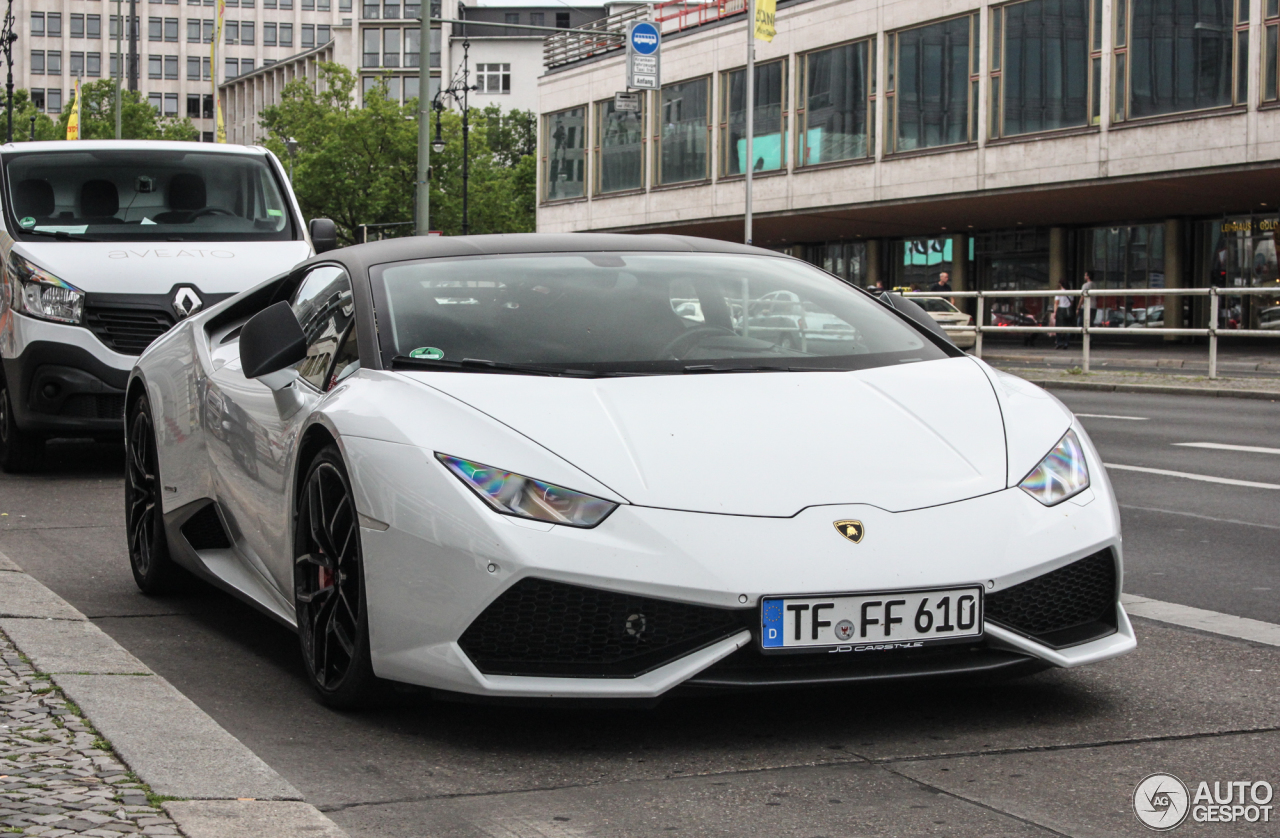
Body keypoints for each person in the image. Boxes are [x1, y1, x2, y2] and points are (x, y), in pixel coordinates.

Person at [1054, 281, 1073, 349]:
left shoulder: (1058, 292)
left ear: (1061, 285)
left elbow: (1056, 303)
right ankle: (1066, 343)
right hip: (1068, 310)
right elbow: (1071, 303)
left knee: (1058, 327)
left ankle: (1059, 342)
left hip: (1060, 310)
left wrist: (1055, 312)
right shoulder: (1071, 293)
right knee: (1068, 327)